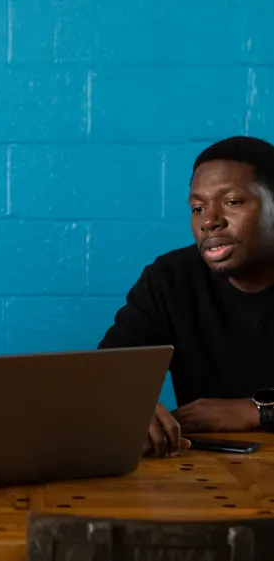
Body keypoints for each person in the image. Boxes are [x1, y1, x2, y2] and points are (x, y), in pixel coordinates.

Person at [100, 135, 274, 445]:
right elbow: (103, 373)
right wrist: (127, 405)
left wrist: (257, 411)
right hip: (211, 472)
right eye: (197, 208)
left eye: (233, 202)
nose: (210, 221)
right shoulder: (169, 280)